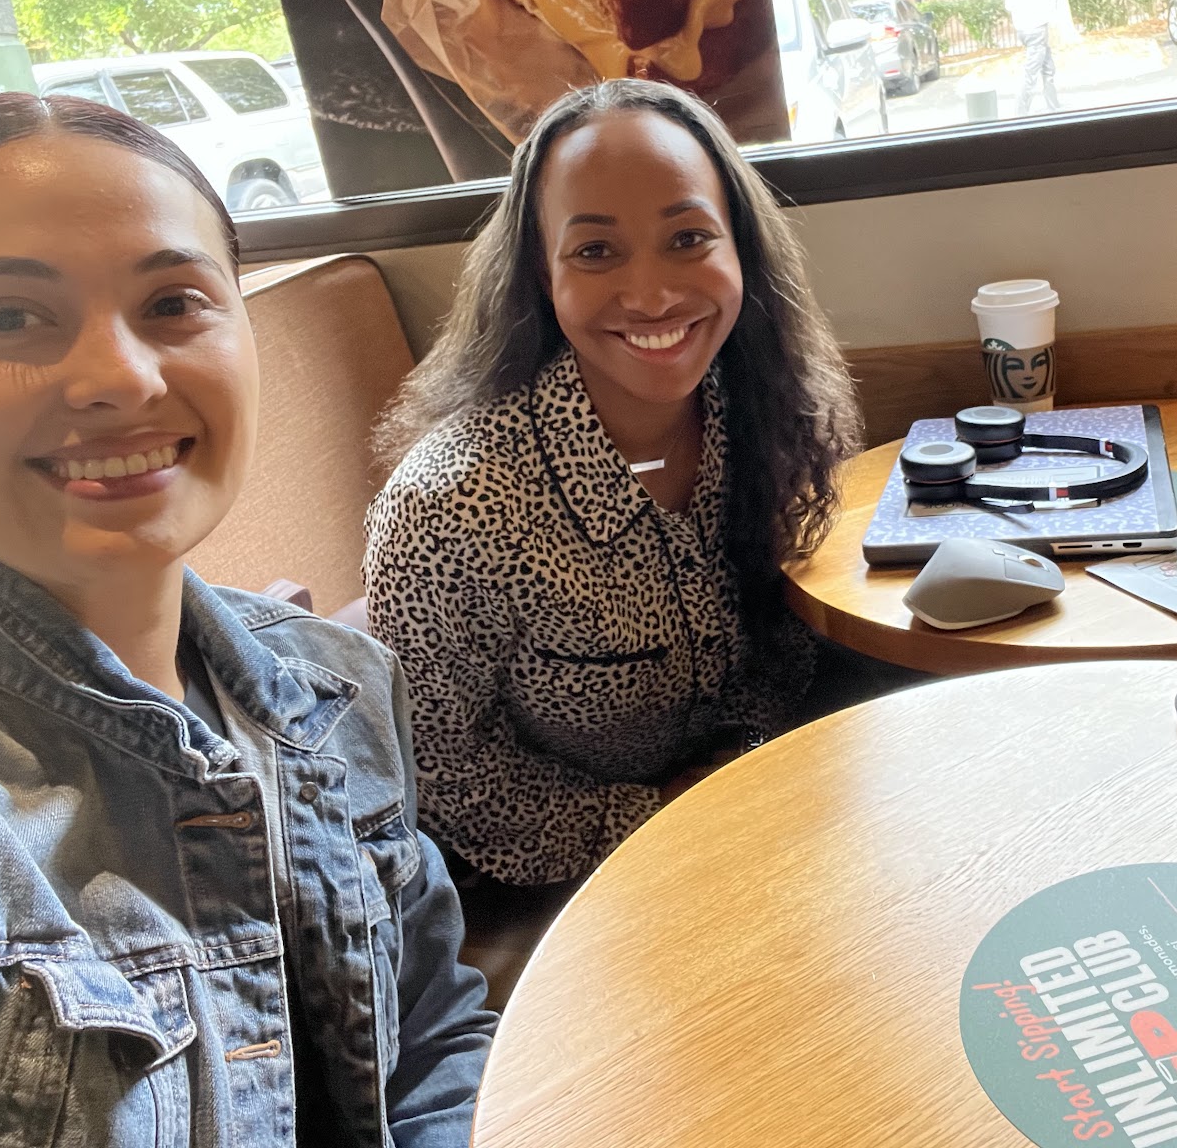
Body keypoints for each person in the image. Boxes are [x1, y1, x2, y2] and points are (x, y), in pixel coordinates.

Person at [0, 94, 495, 1145]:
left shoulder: (338, 684)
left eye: (174, 303)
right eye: (8, 318)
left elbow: (431, 1036)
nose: (120, 377)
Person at [366, 78, 862, 891]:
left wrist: (746, 767)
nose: (652, 294)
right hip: (572, 879)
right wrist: (665, 818)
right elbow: (447, 773)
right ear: (542, 270)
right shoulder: (450, 509)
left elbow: (785, 648)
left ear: (739, 247)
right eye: (596, 251)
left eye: (688, 238)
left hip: (760, 797)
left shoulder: (771, 412)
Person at [1005, 0, 1074, 115]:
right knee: (1031, 72)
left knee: (1047, 65)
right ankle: (1021, 112)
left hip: (1024, 27)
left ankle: (1053, 104)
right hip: (1036, 27)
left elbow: (1009, 3)